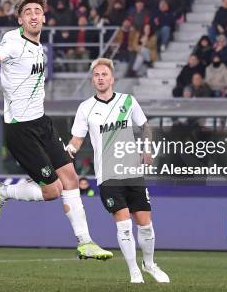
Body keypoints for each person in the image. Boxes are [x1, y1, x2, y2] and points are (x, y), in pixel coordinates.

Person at [0, 0, 112, 260]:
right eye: (28, 12)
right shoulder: (13, 40)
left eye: (38, 11)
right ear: (20, 19)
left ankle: (85, 242)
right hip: (21, 130)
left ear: (44, 18)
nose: (34, 15)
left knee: (70, 179)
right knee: (51, 191)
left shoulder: (39, 46)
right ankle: (3, 192)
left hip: (42, 123)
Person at [67, 58, 170, 284]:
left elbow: (145, 127)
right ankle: (134, 271)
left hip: (132, 171)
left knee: (145, 224)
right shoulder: (85, 108)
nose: (101, 78)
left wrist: (147, 148)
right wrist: (67, 152)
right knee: (123, 223)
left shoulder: (128, 101)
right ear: (93, 80)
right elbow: (76, 140)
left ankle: (149, 264)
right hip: (107, 175)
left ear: (112, 78)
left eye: (104, 74)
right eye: (96, 75)